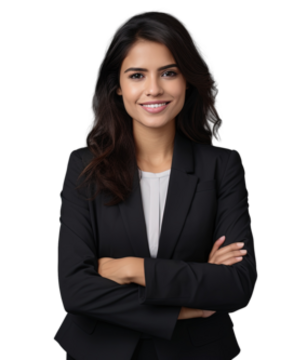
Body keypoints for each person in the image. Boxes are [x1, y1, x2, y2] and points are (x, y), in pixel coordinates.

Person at [53, 8, 255, 360]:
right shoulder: (84, 166)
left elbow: (236, 285)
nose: (153, 89)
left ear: (187, 79)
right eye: (136, 75)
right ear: (117, 85)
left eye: (168, 73)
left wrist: (131, 268)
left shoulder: (222, 167)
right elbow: (75, 290)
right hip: (97, 352)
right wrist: (184, 305)